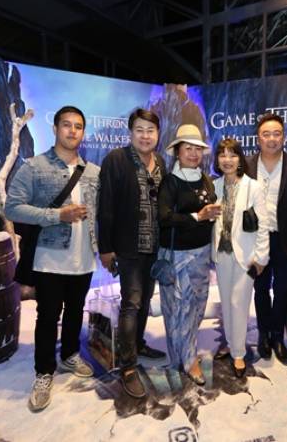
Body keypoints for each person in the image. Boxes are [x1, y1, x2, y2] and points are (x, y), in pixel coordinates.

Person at [5, 105, 100, 412]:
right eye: (67, 125)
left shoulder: (93, 171)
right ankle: (44, 371)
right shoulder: (34, 167)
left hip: (83, 257)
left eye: (78, 126)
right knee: (48, 316)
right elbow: (12, 208)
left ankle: (70, 354)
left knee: (75, 310)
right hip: (49, 259)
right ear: (55, 129)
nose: (73, 131)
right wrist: (57, 215)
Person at [97, 108, 168, 399]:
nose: (145, 136)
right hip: (128, 247)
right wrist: (105, 248)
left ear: (158, 134)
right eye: (139, 130)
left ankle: (137, 344)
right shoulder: (116, 159)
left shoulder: (160, 161)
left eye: (150, 130)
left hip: (155, 246)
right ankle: (128, 366)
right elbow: (105, 207)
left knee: (145, 300)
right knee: (131, 303)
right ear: (130, 133)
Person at [157, 124, 219, 386]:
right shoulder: (170, 182)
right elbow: (164, 217)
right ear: (177, 152)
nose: (193, 154)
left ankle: (181, 355)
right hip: (178, 256)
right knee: (179, 309)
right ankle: (189, 360)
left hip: (202, 253)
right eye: (188, 148)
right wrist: (197, 216)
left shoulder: (205, 178)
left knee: (196, 307)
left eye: (197, 149)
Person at [245, 113, 287, 365]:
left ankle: (278, 336)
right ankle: (263, 335)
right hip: (256, 238)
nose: (271, 139)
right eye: (266, 134)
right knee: (260, 289)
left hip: (284, 238)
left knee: (282, 289)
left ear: (284, 137)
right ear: (258, 138)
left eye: (276, 133)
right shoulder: (246, 164)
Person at [212, 138, 269, 378]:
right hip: (221, 253)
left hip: (245, 255)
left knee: (239, 303)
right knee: (226, 302)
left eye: (232, 155)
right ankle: (230, 343)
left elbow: (263, 224)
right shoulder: (213, 186)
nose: (227, 160)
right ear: (217, 160)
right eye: (222, 155)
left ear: (240, 159)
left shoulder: (253, 187)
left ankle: (238, 353)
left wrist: (261, 257)